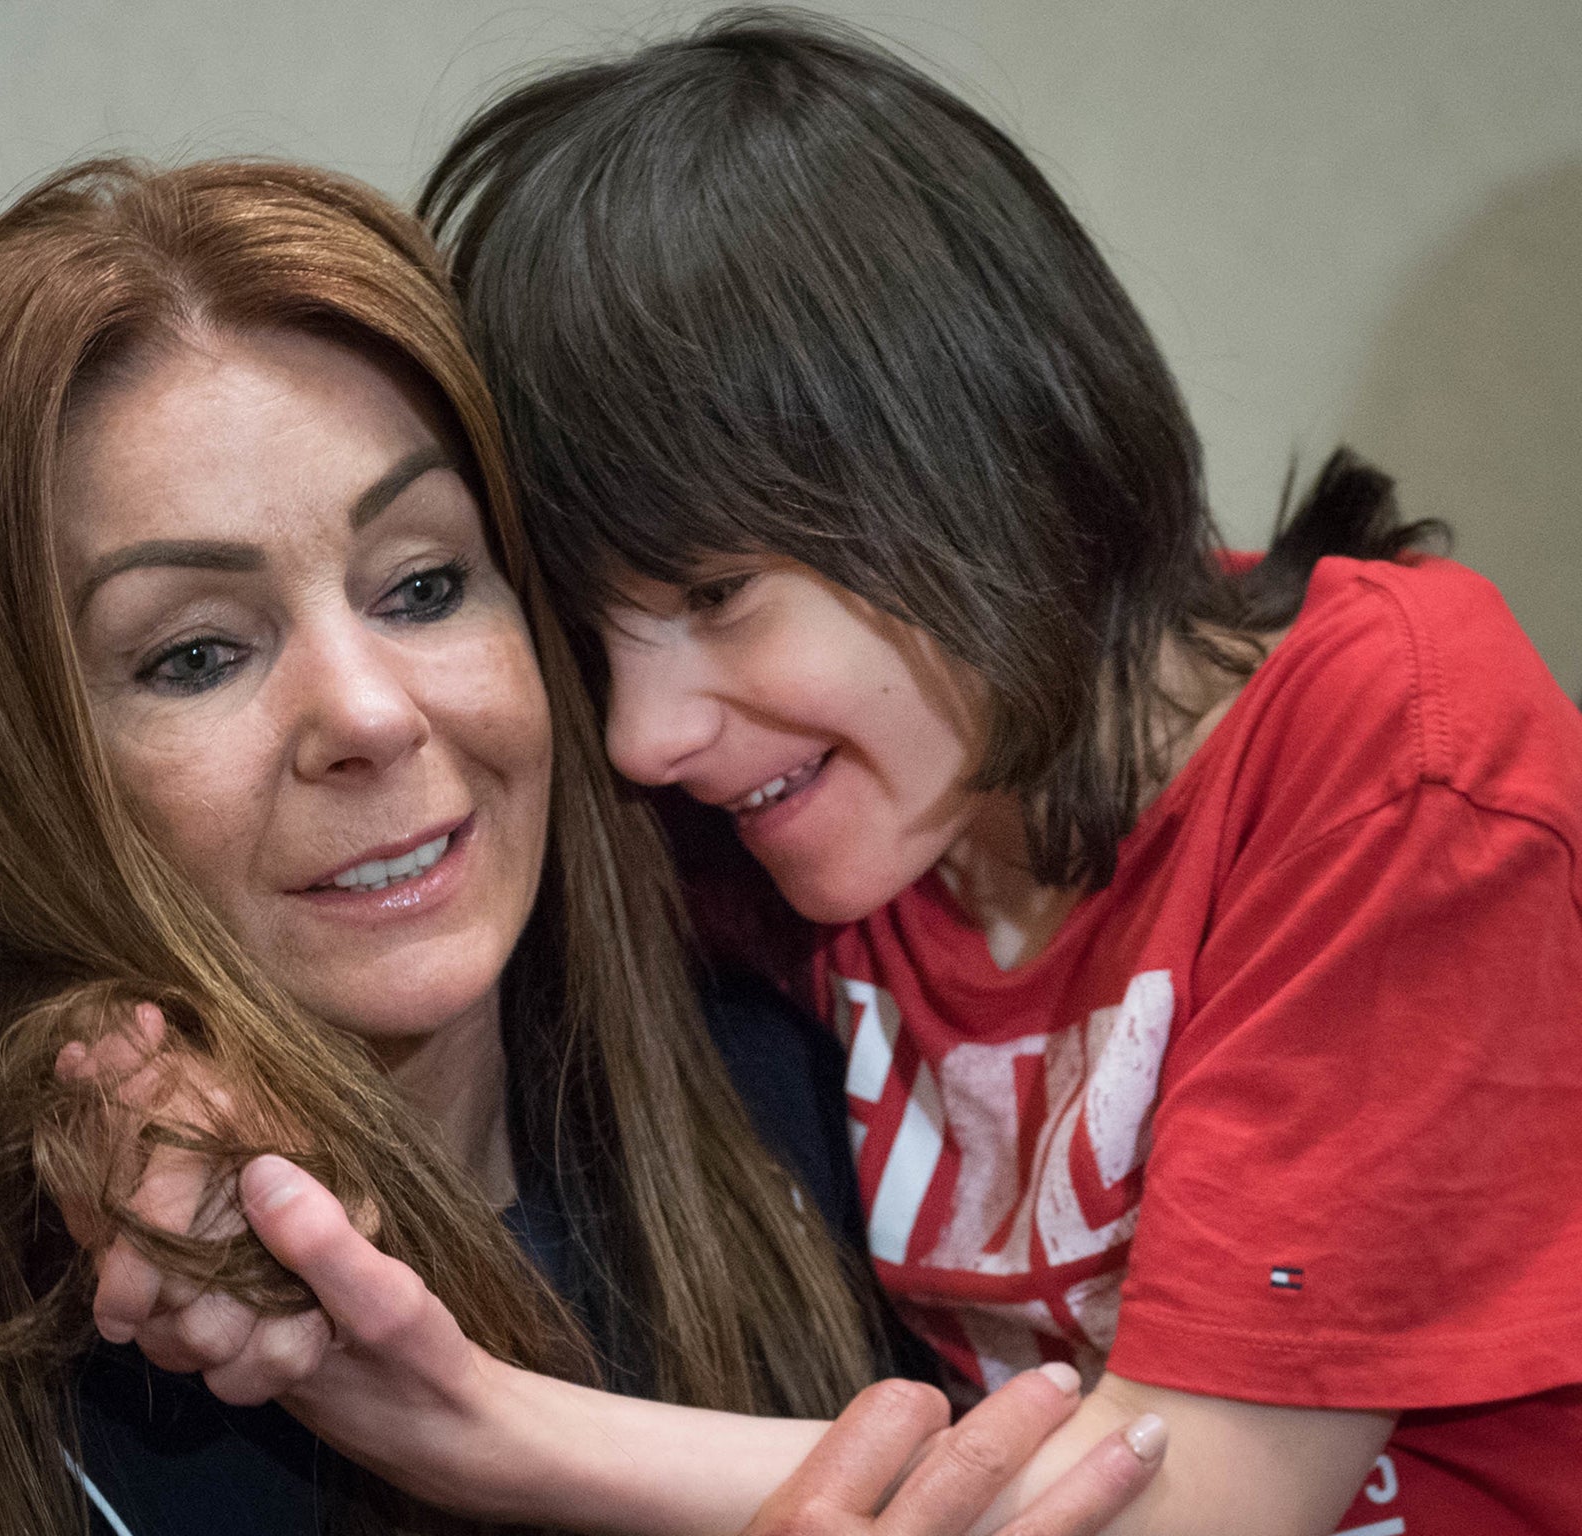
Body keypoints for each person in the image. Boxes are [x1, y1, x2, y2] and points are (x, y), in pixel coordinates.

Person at [90, 11, 1582, 1536]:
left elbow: (1184, 1504)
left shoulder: (1392, 753)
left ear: (974, 458)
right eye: (603, 642)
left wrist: (474, 1423)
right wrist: (160, 1104)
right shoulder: (817, 808)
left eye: (718, 594)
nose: (642, 737)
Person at [0, 157, 1163, 1536]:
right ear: (0, 767)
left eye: (424, 585)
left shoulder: (843, 1087)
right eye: (194, 655)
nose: (369, 711)